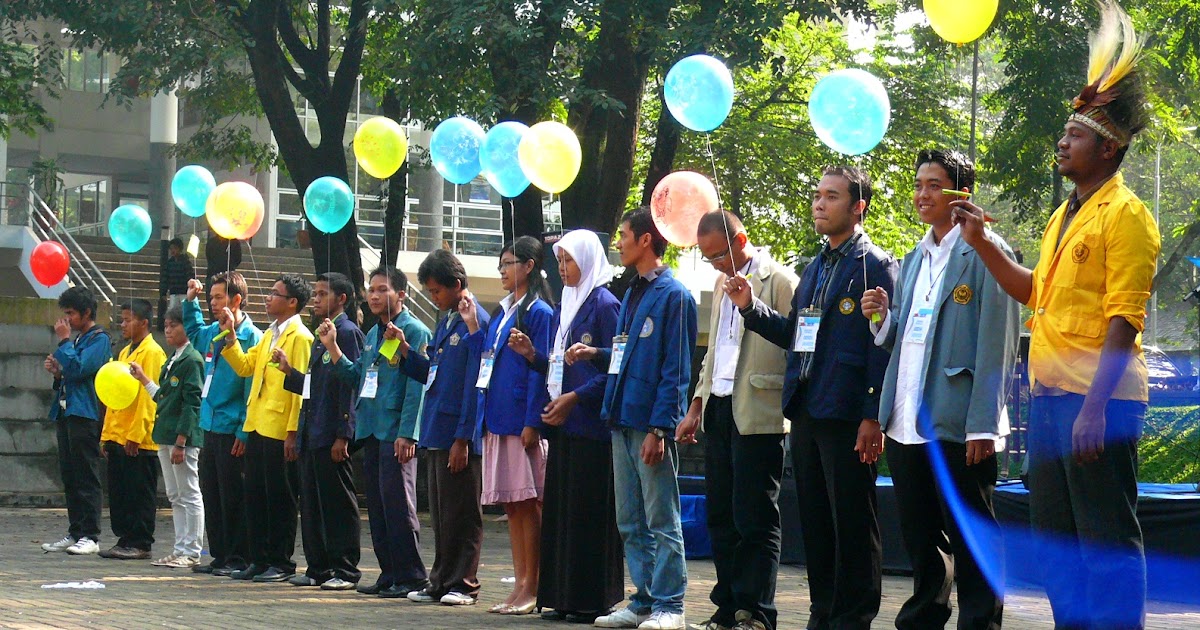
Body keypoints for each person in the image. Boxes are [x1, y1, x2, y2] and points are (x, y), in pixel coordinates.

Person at [950, 3, 1157, 627]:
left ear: (1108, 147)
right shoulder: (1064, 215)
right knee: (1056, 539)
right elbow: (1035, 291)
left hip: (1099, 401)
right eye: (1065, 134)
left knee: (1105, 537)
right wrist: (983, 243)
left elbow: (1125, 319)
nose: (1062, 143)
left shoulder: (1128, 215)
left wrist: (1094, 408)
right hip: (1049, 397)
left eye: (1075, 135)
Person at [727, 166, 897, 630]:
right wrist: (750, 307)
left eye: (832, 196)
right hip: (806, 408)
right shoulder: (816, 266)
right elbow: (797, 334)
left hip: (847, 414)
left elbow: (882, 346)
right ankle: (822, 613)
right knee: (817, 524)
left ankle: (853, 618)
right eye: (818, 194)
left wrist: (872, 414)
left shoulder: (875, 264)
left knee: (852, 523)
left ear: (858, 207)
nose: (819, 204)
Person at [861, 149, 1018, 630]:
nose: (922, 194)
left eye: (934, 184)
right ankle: (923, 619)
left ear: (961, 194)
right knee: (921, 534)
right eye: (918, 184)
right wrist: (882, 320)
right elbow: (909, 336)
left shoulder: (987, 251)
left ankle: (980, 623)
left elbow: (999, 343)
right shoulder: (914, 258)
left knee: (971, 533)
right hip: (906, 417)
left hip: (959, 418)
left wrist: (982, 424)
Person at [577, 207, 697, 630]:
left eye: (624, 234)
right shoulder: (631, 293)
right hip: (621, 418)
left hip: (649, 426)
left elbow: (676, 369)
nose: (619, 242)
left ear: (646, 239)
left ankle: (671, 605)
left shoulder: (675, 295)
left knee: (661, 518)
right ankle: (644, 601)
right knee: (629, 519)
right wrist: (596, 354)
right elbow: (626, 354)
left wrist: (660, 429)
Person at [679, 211, 798, 630]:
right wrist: (696, 405)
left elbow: (794, 339)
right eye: (707, 257)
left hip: (759, 410)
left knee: (756, 517)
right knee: (721, 516)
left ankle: (757, 611)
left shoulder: (780, 281)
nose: (715, 264)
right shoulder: (718, 284)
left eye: (718, 255)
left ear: (741, 240)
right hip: (719, 406)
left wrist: (751, 304)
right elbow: (715, 351)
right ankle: (728, 606)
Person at [508, 230, 624, 624]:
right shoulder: (564, 306)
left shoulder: (605, 304)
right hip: (564, 426)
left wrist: (576, 397)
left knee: (588, 514)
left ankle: (591, 599)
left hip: (591, 427)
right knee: (563, 513)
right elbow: (560, 365)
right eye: (558, 261)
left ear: (588, 260)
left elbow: (614, 367)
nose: (562, 268)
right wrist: (533, 356)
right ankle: (562, 595)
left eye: (569, 260)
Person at [461, 235, 554, 616]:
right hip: (497, 417)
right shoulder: (501, 313)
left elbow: (539, 369)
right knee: (513, 507)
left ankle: (534, 586)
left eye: (508, 264)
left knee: (529, 505)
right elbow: (487, 359)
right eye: (500, 265)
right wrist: (472, 324)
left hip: (519, 421)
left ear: (529, 266)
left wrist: (533, 420)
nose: (502, 271)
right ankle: (519, 584)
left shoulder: (538, 312)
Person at [329, 266, 432, 598]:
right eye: (371, 290)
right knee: (377, 507)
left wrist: (408, 433)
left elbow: (417, 387)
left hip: (395, 431)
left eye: (382, 289)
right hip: (372, 427)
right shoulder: (373, 333)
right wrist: (333, 348)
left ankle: (411, 576)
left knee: (399, 506)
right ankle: (389, 573)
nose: (373, 296)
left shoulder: (413, 331)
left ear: (401, 294)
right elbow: (358, 377)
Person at [401, 249, 490, 607]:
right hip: (437, 427)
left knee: (463, 513)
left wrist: (463, 437)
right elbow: (434, 373)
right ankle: (439, 580)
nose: (433, 297)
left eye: (437, 290)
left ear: (456, 284)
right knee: (441, 514)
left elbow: (475, 382)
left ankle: (464, 583)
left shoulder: (474, 320)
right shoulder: (447, 321)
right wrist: (406, 353)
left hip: (457, 432)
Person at [219, 273, 314, 583]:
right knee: (256, 495)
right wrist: (231, 339)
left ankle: (280, 561)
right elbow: (246, 366)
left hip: (279, 427)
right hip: (258, 423)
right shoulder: (269, 333)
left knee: (280, 497)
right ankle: (259, 559)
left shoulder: (300, 337)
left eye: (275, 294)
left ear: (292, 302)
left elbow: (299, 389)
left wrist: (292, 432)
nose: (268, 298)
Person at [275, 272, 364, 591]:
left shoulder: (347, 333)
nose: (316, 299)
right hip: (312, 429)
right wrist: (290, 372)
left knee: (337, 503)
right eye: (315, 293)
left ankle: (345, 568)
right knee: (312, 504)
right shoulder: (321, 333)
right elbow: (316, 386)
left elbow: (350, 386)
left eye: (323, 294)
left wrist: (344, 433)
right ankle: (318, 566)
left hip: (331, 432)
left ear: (342, 299)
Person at [183, 272, 262, 576]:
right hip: (210, 423)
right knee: (212, 492)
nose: (213, 303)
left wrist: (243, 429)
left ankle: (238, 556)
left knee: (233, 495)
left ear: (236, 299)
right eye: (211, 298)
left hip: (232, 426)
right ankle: (219, 555)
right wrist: (191, 302)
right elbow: (193, 331)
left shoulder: (251, 337)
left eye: (218, 298)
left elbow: (250, 387)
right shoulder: (213, 331)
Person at [131, 306, 206, 568]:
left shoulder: (192, 360)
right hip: (165, 433)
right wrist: (143, 379)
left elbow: (192, 403)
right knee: (174, 495)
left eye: (174, 325)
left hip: (181, 438)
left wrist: (181, 441)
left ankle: (192, 550)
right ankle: (180, 547)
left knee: (189, 493)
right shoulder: (173, 358)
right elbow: (163, 397)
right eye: (166, 325)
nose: (169, 330)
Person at [41, 286, 112, 556]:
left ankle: (91, 535)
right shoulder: (80, 338)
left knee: (86, 474)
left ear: (86, 312)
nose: (67, 319)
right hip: (66, 411)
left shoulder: (99, 339)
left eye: (71, 313)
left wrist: (63, 342)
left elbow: (81, 368)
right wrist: (58, 374)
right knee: (70, 475)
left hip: (85, 413)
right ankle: (76, 531)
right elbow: (71, 372)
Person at [97, 299, 166, 561]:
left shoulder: (153, 353)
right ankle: (125, 538)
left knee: (139, 493)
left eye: (128, 320)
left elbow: (149, 398)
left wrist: (136, 434)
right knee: (120, 492)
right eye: (122, 319)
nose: (123, 324)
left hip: (138, 438)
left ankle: (140, 541)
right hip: (118, 432)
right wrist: (106, 435)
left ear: (144, 322)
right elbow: (114, 395)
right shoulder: (125, 352)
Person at [163, 237, 196, 314]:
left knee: (184, 311)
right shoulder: (169, 263)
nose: (172, 251)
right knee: (172, 312)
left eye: (175, 248)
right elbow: (165, 278)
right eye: (171, 249)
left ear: (180, 249)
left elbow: (190, 276)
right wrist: (163, 292)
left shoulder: (185, 262)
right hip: (173, 292)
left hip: (184, 292)